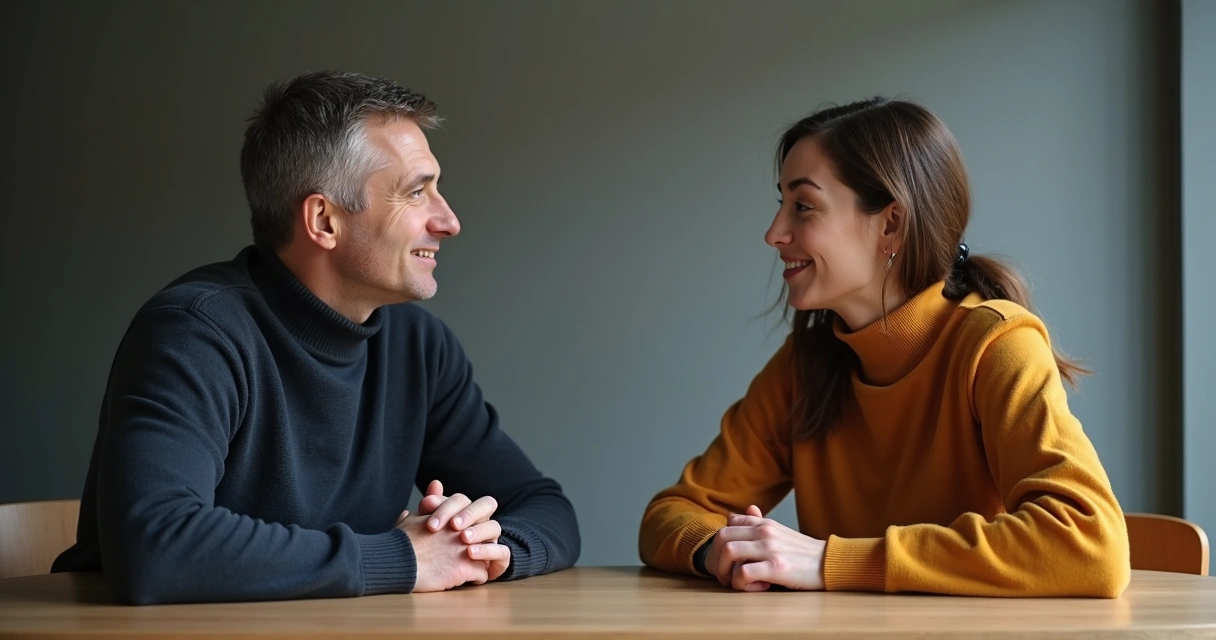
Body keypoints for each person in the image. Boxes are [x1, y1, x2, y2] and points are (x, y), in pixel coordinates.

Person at [52, 71, 580, 604]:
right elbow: (154, 549)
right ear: (323, 220)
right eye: (416, 192)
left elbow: (543, 507)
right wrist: (402, 558)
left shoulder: (419, 347)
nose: (449, 220)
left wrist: (483, 548)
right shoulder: (195, 332)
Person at [638, 97, 1129, 597]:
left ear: (890, 225)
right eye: (780, 203)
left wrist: (831, 562)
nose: (774, 233)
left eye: (802, 206)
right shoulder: (805, 365)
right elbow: (670, 514)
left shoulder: (996, 345)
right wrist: (718, 548)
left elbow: (1091, 544)